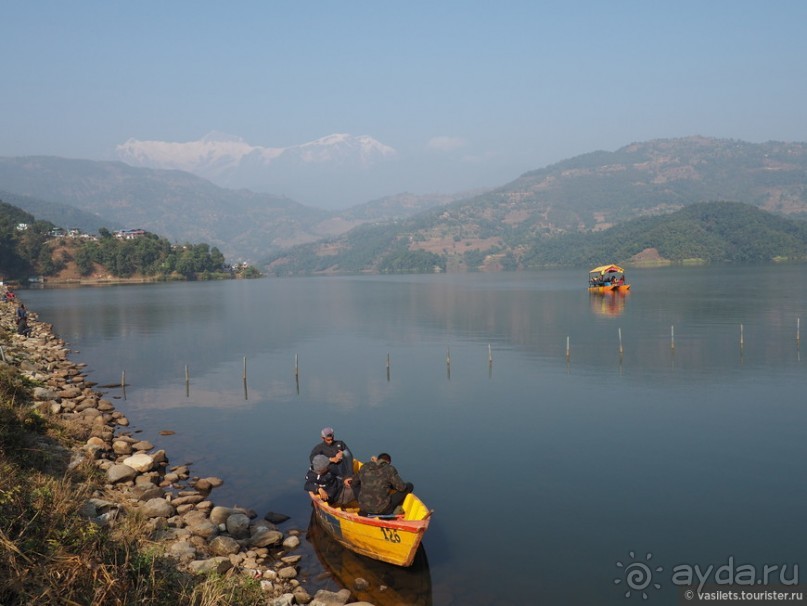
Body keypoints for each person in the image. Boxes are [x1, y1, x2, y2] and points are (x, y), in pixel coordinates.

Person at [354, 452, 414, 516]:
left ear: (377, 460)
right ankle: (396, 508)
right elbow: (402, 487)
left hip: (364, 508)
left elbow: (354, 482)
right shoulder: (389, 469)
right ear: (388, 462)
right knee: (409, 485)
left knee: (355, 485)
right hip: (383, 510)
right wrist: (391, 486)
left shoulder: (365, 467)